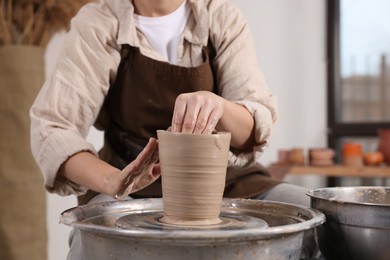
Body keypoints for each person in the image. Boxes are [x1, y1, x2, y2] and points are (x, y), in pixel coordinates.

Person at [30, 0, 314, 258]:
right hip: (131, 182)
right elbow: (52, 128)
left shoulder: (218, 16)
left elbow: (253, 126)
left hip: (225, 179)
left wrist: (219, 107)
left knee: (310, 213)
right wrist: (113, 181)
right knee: (90, 239)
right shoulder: (101, 22)